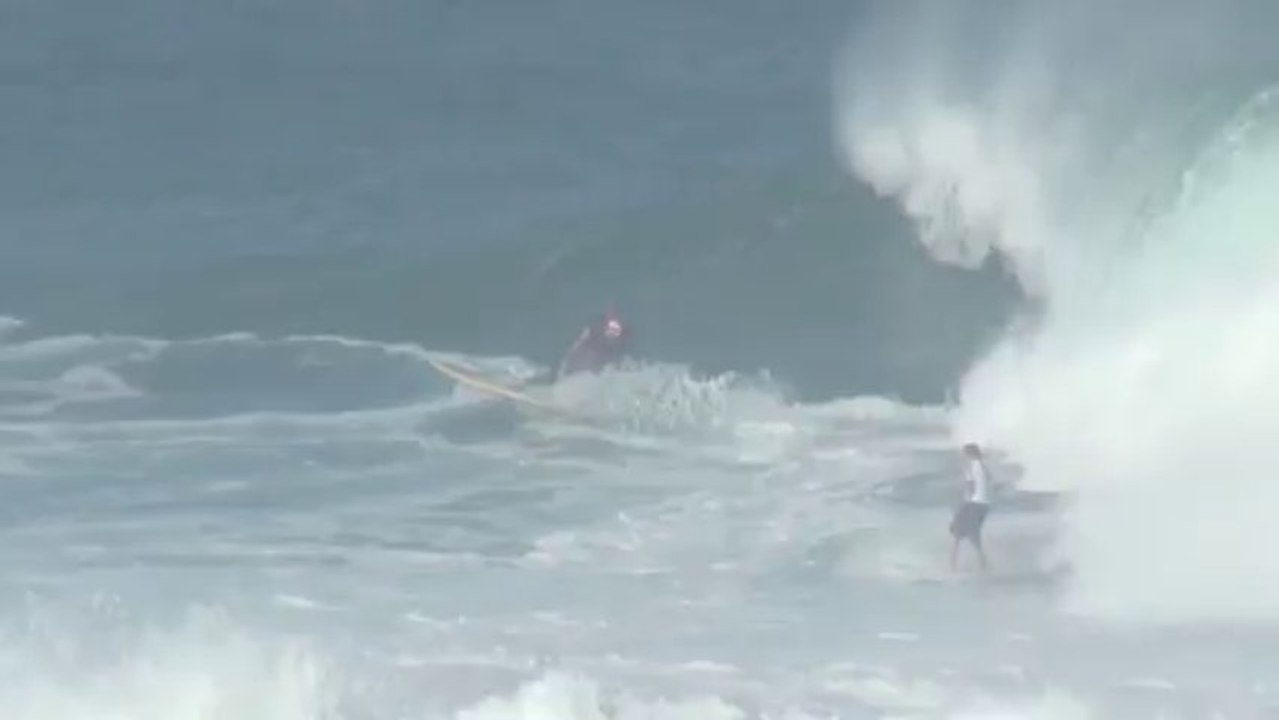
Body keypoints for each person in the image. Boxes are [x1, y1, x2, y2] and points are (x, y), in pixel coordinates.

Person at [555, 306, 631, 380]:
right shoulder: (596, 327)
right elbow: (582, 342)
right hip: (591, 355)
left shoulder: (614, 327)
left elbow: (619, 338)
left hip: (602, 357)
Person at [950, 442, 992, 572]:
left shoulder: (971, 466)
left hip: (974, 503)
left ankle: (953, 566)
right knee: (973, 535)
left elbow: (971, 486)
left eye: (964, 454)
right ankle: (982, 563)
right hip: (985, 504)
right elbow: (989, 480)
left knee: (956, 531)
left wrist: (964, 502)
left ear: (969, 454)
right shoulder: (983, 466)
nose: (963, 456)